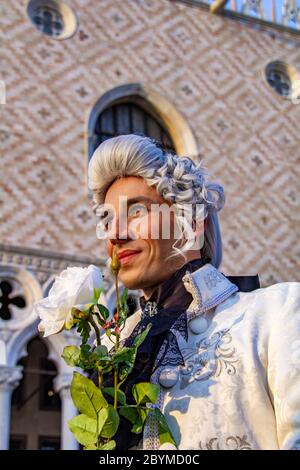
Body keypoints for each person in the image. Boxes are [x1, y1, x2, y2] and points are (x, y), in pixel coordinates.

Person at [88, 134, 300, 450]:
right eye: (107, 220)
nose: (115, 235)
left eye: (136, 212)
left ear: (191, 223)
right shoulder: (113, 346)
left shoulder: (276, 313)